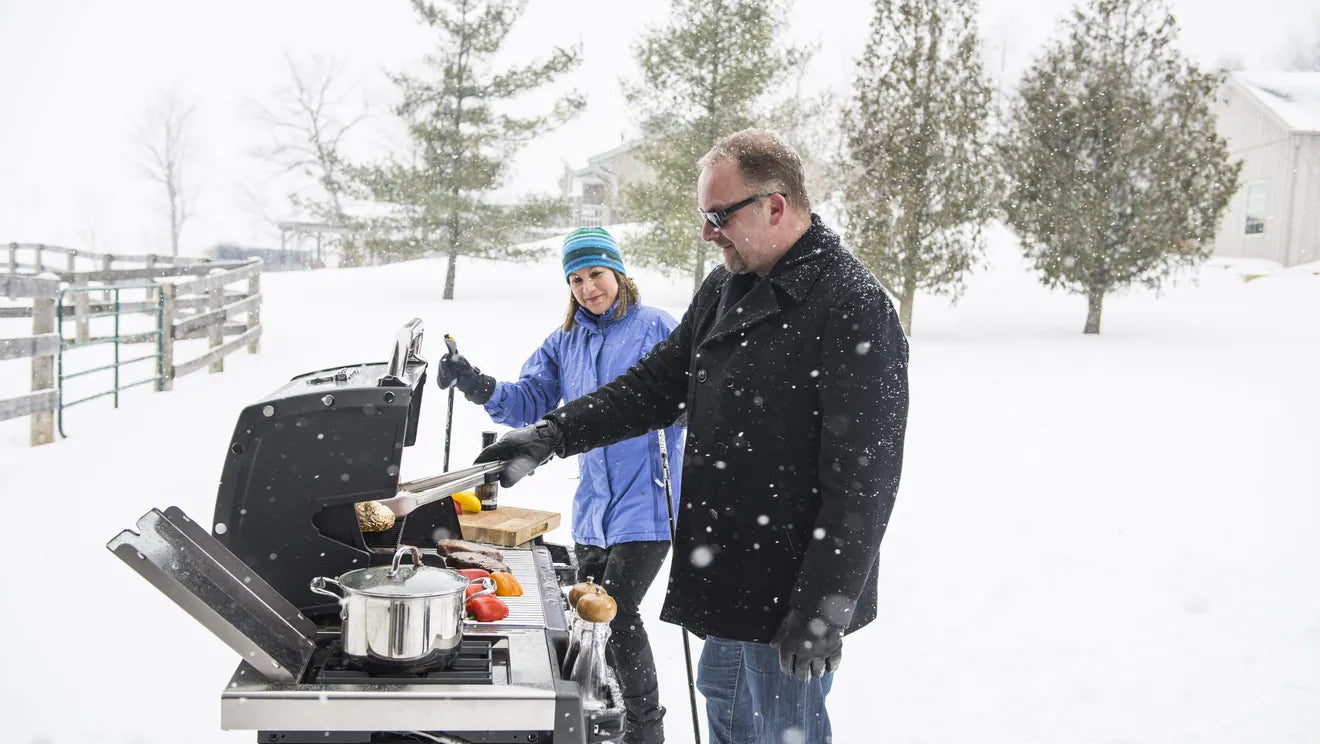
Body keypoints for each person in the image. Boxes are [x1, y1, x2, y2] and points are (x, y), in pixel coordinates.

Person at [474, 129, 909, 744]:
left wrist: (823, 606)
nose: (708, 233)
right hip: (730, 574)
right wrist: (550, 433)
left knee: (784, 729)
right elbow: (653, 388)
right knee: (726, 709)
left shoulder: (852, 305)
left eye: (718, 216)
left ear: (775, 206)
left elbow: (866, 482)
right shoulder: (726, 287)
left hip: (790, 591)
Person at [435, 226, 683, 744]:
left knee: (617, 610)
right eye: (576, 279)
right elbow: (528, 401)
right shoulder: (565, 339)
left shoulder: (656, 327)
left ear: (617, 271)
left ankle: (645, 729)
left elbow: (691, 396)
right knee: (588, 613)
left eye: (596, 274)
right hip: (594, 503)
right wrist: (476, 382)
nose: (588, 288)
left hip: (650, 500)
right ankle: (598, 715)